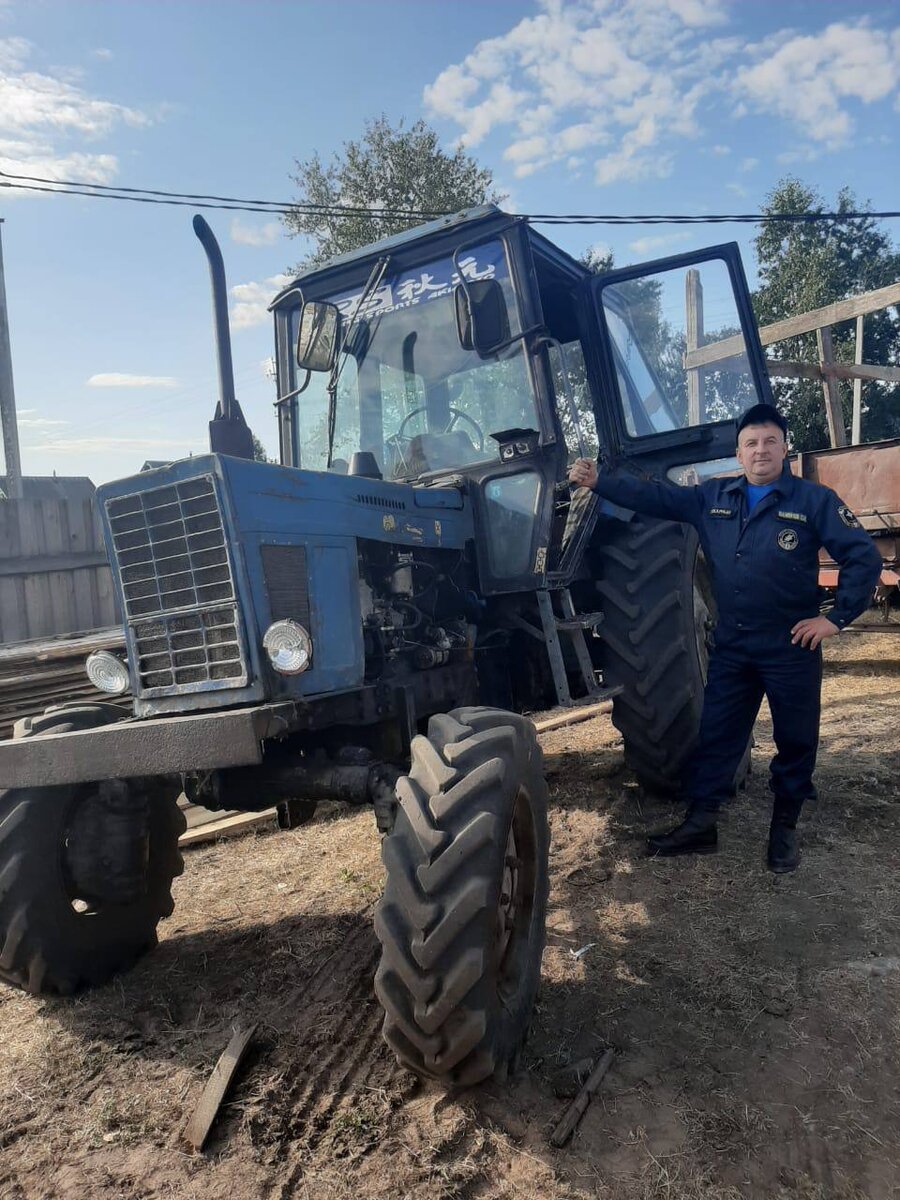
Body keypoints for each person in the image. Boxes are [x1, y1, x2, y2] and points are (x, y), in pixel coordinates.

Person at [568, 403, 883, 872]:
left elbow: (863, 559)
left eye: (770, 441)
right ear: (739, 453)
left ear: (784, 447)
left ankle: (784, 832)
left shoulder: (813, 501)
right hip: (733, 646)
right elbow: (654, 499)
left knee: (796, 740)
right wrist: (600, 483)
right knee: (717, 736)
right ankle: (700, 824)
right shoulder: (712, 497)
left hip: (790, 646)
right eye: (752, 443)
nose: (761, 450)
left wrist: (834, 620)